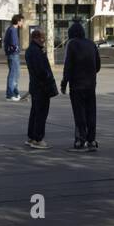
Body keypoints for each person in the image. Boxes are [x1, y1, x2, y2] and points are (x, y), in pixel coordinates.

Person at [60, 20, 100, 151]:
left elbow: (68, 66)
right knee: (91, 112)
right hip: (90, 84)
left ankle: (80, 139)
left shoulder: (71, 45)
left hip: (76, 85)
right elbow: (98, 65)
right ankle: (92, 140)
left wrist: (64, 83)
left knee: (79, 113)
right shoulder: (91, 44)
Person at [25, 29, 58, 149]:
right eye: (42, 38)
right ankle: (38, 139)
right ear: (36, 38)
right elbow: (41, 71)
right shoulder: (36, 52)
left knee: (35, 112)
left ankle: (31, 136)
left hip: (35, 86)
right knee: (41, 113)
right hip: (41, 87)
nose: (43, 40)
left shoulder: (31, 50)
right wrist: (48, 77)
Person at [3, 13, 24, 100]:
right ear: (18, 21)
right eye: (22, 21)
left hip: (13, 54)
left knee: (16, 74)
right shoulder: (12, 30)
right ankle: (10, 94)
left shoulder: (12, 29)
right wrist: (16, 49)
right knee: (13, 74)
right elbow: (13, 43)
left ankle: (15, 92)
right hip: (13, 54)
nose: (22, 23)